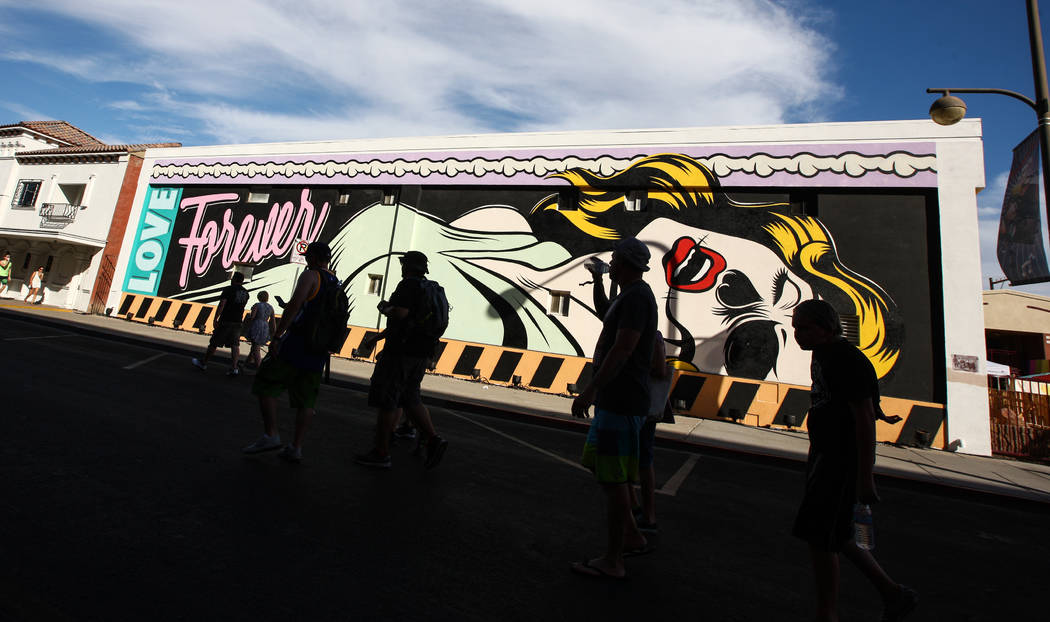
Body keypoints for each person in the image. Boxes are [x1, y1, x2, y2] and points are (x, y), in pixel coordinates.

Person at [790, 299, 918, 622]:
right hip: (824, 456)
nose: (797, 334)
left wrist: (865, 476)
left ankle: (827, 613)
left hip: (840, 461)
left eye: (804, 327)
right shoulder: (822, 355)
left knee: (821, 537)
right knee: (839, 535)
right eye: (795, 327)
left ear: (827, 327)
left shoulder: (847, 360)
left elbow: (864, 418)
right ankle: (893, 594)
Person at [569, 237, 658, 581]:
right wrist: (597, 280)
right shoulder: (630, 295)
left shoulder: (637, 297)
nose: (611, 264)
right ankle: (632, 537)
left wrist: (590, 390)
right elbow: (604, 312)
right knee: (606, 472)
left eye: (613, 260)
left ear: (623, 263)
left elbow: (622, 349)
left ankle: (614, 559)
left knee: (613, 478)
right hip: (617, 400)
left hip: (620, 400)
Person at [243, 241, 340, 463]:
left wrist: (277, 336)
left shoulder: (311, 276)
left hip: (297, 342)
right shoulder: (335, 281)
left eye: (308, 256)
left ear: (314, 258)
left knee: (265, 382)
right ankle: (296, 446)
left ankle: (271, 434)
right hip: (318, 349)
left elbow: (295, 305)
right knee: (306, 400)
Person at [354, 250, 448, 470]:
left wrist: (386, 308)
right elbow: (411, 322)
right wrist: (378, 337)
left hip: (400, 353)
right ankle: (433, 439)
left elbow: (401, 315)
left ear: (406, 267)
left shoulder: (407, 286)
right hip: (422, 352)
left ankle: (381, 452)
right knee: (410, 397)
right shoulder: (430, 288)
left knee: (389, 400)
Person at [191, 272, 250, 376]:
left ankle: (204, 363)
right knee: (235, 345)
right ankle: (234, 367)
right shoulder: (246, 293)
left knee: (214, 342)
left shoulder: (228, 289)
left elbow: (222, 304)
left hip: (226, 320)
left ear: (234, 279)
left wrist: (215, 318)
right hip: (238, 321)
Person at [245, 291, 276, 369]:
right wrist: (274, 332)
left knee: (255, 348)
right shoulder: (271, 307)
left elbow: (252, 317)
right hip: (265, 326)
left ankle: (258, 367)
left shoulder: (257, 305)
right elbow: (272, 321)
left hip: (257, 325)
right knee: (255, 347)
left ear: (259, 297)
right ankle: (245, 364)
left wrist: (248, 319)